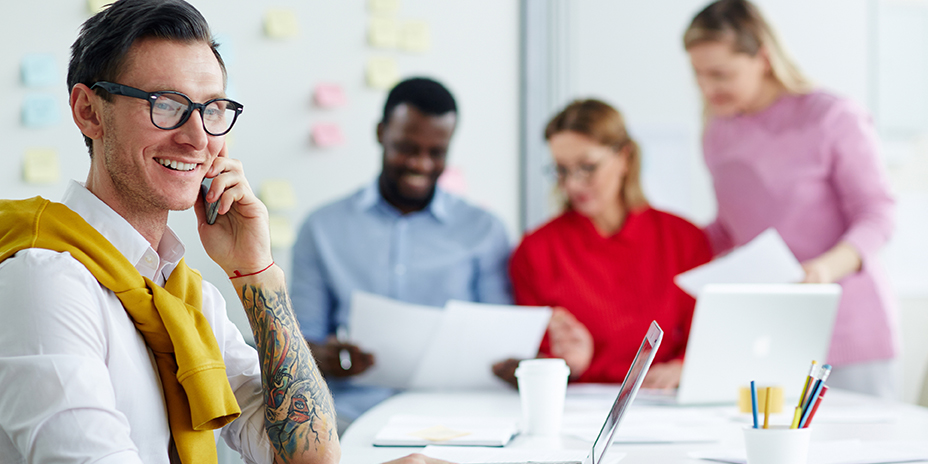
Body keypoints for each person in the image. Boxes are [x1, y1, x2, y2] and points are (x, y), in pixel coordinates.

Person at [0, 2, 449, 464]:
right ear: (88, 111)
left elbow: (307, 456)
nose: (197, 137)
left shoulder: (187, 299)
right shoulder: (45, 280)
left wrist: (257, 272)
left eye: (211, 108)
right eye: (167, 105)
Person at [684, 0, 898, 398]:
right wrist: (666, 246)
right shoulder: (717, 132)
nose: (707, 88)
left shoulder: (832, 116)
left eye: (720, 74)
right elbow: (732, 224)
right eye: (698, 74)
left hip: (847, 326)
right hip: (770, 332)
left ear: (763, 57)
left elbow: (878, 213)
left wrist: (823, 269)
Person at [290, 77, 513, 426]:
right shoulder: (322, 228)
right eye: (407, 147)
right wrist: (325, 357)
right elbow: (299, 346)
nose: (421, 164)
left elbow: (500, 342)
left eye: (436, 152)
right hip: (350, 418)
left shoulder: (484, 231)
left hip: (457, 420)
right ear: (380, 133)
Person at [494, 99, 712, 389]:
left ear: (624, 158)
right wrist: (567, 365)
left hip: (663, 404)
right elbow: (532, 359)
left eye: (587, 167)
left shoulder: (684, 239)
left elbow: (708, 333)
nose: (572, 184)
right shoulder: (535, 250)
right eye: (561, 170)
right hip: (579, 407)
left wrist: (684, 367)